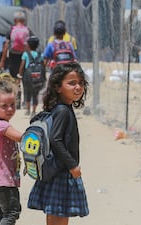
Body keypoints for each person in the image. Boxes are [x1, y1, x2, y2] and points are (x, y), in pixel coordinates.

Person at [27, 62, 89, 225]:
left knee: (54, 216)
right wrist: (72, 165)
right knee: (59, 217)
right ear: (58, 87)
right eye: (72, 83)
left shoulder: (61, 108)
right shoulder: (62, 111)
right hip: (62, 172)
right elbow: (56, 140)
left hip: (57, 171)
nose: (78, 87)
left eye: (81, 83)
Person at [0, 78, 23, 225]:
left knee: (2, 212)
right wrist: (38, 133)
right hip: (2, 181)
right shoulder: (0, 125)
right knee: (11, 212)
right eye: (4, 106)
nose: (9, 109)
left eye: (12, 105)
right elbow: (21, 137)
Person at [0, 11, 34, 109]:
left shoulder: (11, 30)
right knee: (26, 80)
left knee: (14, 80)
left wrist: (2, 60)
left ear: (15, 20)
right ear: (24, 20)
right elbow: (32, 46)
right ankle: (26, 102)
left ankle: (17, 103)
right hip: (25, 57)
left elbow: (6, 46)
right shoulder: (28, 30)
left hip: (13, 57)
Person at [18, 36, 45, 118]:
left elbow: (22, 66)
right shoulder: (40, 54)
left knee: (27, 92)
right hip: (37, 77)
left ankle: (28, 109)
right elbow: (43, 66)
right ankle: (33, 111)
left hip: (27, 77)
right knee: (35, 94)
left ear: (28, 45)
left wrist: (19, 75)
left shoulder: (26, 54)